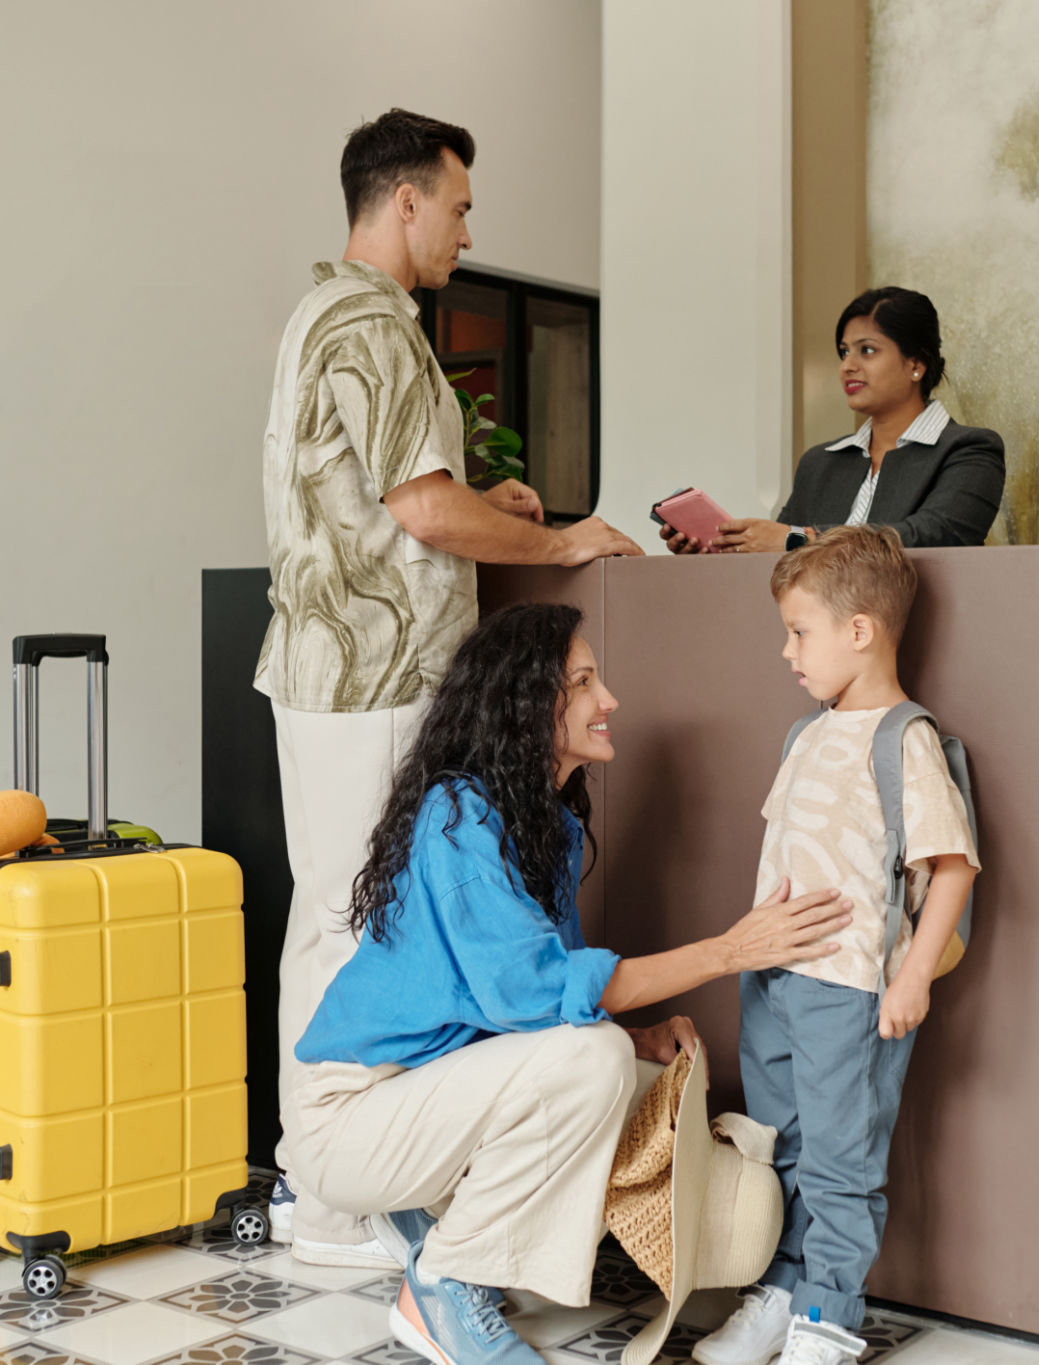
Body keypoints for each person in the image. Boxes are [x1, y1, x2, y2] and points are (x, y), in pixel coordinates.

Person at [257, 108, 642, 1268]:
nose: (468, 232)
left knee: (334, 917)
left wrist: (493, 511)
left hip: (335, 666)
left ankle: (338, 1183)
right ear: (407, 198)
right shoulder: (372, 324)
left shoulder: (323, 314)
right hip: (372, 676)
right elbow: (420, 513)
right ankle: (332, 1201)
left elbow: (396, 504)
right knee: (350, 927)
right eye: (460, 206)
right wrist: (569, 537)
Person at [284, 603, 857, 1365]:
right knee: (592, 1061)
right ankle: (442, 1285)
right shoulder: (456, 820)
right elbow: (537, 992)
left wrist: (641, 1035)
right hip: (350, 1111)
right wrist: (730, 950)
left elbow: (546, 1007)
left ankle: (438, 1226)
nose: (608, 699)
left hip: (423, 1094)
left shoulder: (543, 823)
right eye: (583, 681)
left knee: (620, 1061)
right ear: (524, 702)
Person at [692, 526, 980, 1365]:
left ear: (860, 630)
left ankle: (827, 1318)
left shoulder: (905, 740)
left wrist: (914, 975)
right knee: (780, 1145)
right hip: (773, 982)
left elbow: (953, 870)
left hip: (849, 988)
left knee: (841, 1157)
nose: (787, 652)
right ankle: (782, 1290)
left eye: (799, 631)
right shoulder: (806, 734)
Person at [661, 287, 1004, 555]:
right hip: (812, 638)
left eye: (867, 350)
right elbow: (777, 562)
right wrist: (719, 548)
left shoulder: (969, 450)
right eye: (844, 352)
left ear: (916, 364)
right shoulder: (820, 463)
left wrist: (800, 539)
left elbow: (931, 537)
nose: (847, 366)